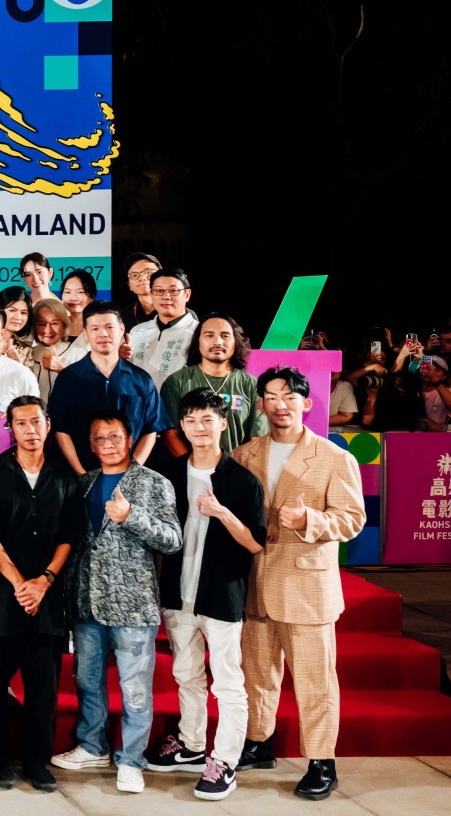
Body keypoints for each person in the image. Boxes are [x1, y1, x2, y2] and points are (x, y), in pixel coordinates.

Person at [231, 367, 366, 802]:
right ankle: (258, 742)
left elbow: (352, 519)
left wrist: (311, 519)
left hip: (306, 585)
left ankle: (322, 761)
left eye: (289, 396)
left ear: (306, 403)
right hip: (255, 582)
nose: (280, 405)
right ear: (260, 405)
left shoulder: (333, 457)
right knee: (256, 672)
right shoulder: (243, 454)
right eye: (271, 396)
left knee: (314, 680)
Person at [144, 390, 266, 800]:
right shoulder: (167, 474)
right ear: (182, 426)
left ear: (223, 424)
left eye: (207, 419)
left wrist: (222, 513)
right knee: (186, 674)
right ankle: (192, 743)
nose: (199, 428)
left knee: (228, 683)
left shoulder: (242, 481)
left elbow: (255, 543)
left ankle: (225, 761)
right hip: (178, 594)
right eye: (191, 420)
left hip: (221, 595)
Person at [52, 411, 181, 795]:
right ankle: (93, 745)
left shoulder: (154, 482)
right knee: (86, 679)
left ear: (129, 439)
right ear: (90, 446)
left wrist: (131, 516)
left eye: (115, 437)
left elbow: (172, 540)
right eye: (99, 438)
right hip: (87, 601)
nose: (107, 444)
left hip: (133, 604)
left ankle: (131, 760)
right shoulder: (85, 483)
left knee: (135, 688)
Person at [0, 395, 80, 793]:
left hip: (46, 602)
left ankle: (37, 762)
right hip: (0, 599)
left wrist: (43, 581)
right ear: (11, 429)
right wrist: (20, 583)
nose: (30, 430)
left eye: (36, 422)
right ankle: (0, 760)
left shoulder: (65, 477)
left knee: (43, 691)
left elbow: (70, 535)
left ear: (48, 425)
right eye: (21, 423)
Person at [48, 302, 167, 474]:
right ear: (85, 333)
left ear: (121, 329)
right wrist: (82, 474)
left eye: (109, 327)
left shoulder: (141, 379)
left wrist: (131, 473)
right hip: (80, 475)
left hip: (130, 476)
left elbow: (151, 430)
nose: (103, 334)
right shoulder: (68, 378)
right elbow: (61, 430)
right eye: (95, 328)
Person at [159, 314, 266, 456]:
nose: (218, 342)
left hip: (237, 466)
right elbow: (169, 436)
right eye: (209, 335)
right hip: (189, 467)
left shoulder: (252, 385)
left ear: (235, 342)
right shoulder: (177, 382)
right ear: (198, 341)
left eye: (225, 336)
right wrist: (195, 465)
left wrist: (233, 467)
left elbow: (257, 439)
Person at [126, 267, 199, 389]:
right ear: (152, 294)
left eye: (173, 290)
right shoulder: (137, 331)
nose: (166, 296)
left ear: (187, 294)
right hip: (140, 400)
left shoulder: (199, 333)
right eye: (159, 290)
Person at [22, 297, 78, 409]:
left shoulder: (78, 352)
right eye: (42, 324)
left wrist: (62, 370)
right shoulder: (27, 354)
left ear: (64, 325)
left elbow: (89, 392)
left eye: (54, 323)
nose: (48, 330)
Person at [419, 355, 451, 431]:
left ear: (444, 377)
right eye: (426, 368)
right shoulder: (411, 390)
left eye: (436, 369)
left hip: (437, 434)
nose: (430, 372)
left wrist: (436, 381)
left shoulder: (450, 391)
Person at [121, 252, 163, 333]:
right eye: (134, 275)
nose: (142, 278)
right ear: (129, 285)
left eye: (148, 272)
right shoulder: (122, 316)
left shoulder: (177, 310)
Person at [60, 268, 97, 344]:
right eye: (67, 292)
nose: (73, 298)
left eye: (80, 292)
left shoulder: (100, 325)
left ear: (92, 296)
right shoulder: (56, 325)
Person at [0, 286, 34, 357]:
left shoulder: (26, 351)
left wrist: (16, 363)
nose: (18, 317)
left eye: (23, 313)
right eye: (12, 310)